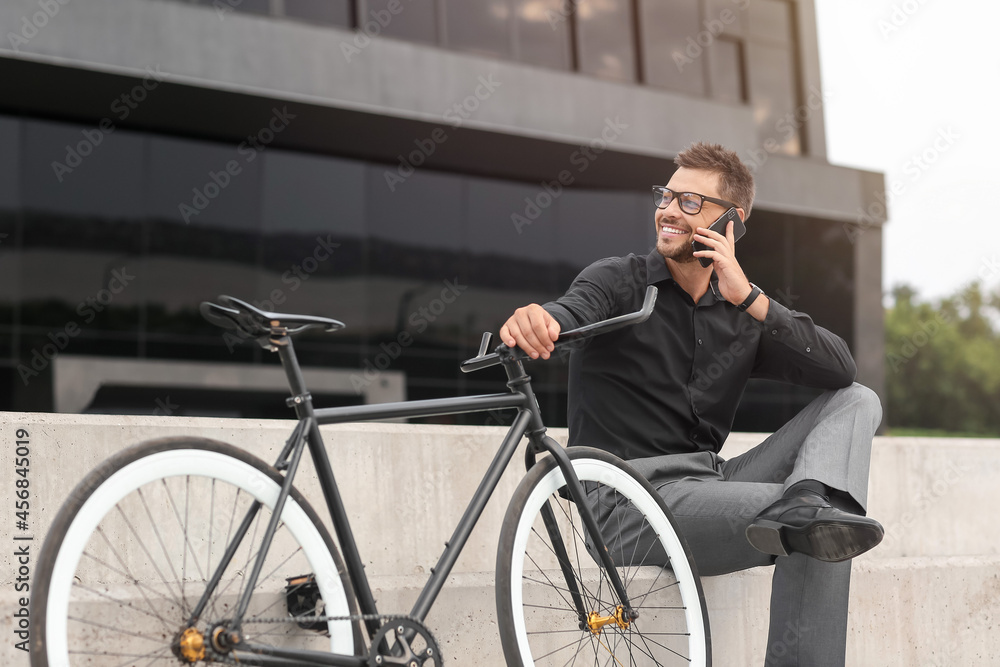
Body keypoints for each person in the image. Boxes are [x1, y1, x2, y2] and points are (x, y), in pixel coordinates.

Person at [499, 142, 883, 667]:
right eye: (667, 196)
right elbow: (569, 312)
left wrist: (748, 296)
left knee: (857, 404)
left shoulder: (739, 308)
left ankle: (806, 501)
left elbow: (840, 370)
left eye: (690, 202)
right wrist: (540, 320)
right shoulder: (619, 280)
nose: (669, 211)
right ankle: (806, 512)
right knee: (821, 524)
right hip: (628, 501)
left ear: (731, 222)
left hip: (712, 484)